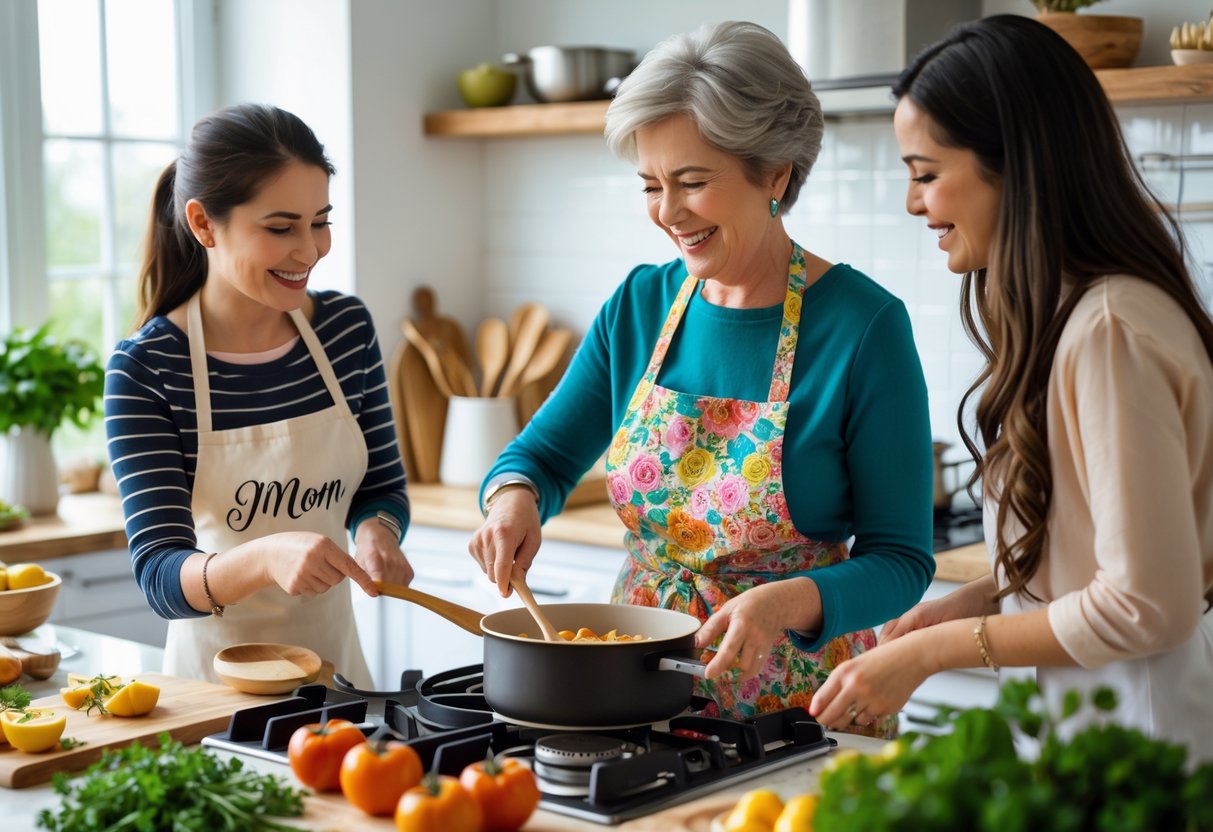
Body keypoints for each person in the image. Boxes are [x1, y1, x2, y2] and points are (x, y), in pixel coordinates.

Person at [468, 21, 934, 737]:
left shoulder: (862, 326)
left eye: (692, 182)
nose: (666, 212)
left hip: (795, 712)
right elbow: (539, 458)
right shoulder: (640, 304)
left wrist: (787, 602)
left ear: (774, 174)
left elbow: (900, 561)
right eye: (651, 185)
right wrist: (512, 500)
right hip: (629, 694)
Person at [808, 15, 1213, 760]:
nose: (911, 203)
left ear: (1015, 166)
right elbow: (1084, 566)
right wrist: (973, 603)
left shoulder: (1110, 330)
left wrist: (935, 652)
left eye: (925, 173)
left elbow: (1146, 605)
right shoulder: (1068, 320)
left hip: (1154, 753)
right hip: (1090, 745)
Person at [104, 104, 412, 686]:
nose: (311, 249)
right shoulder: (148, 368)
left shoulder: (345, 330)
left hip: (339, 687)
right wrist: (265, 557)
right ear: (203, 224)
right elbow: (160, 577)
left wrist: (377, 530)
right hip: (216, 700)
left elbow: (381, 488)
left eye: (320, 221)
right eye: (280, 228)